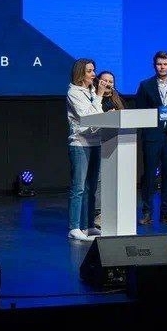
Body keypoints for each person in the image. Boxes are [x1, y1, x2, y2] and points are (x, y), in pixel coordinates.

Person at [135, 51, 167, 225]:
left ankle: (166, 212)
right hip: (152, 136)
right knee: (149, 175)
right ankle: (147, 212)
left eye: (165, 64)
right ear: (154, 65)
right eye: (159, 64)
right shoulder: (145, 85)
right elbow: (140, 110)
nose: (162, 67)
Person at [66, 58, 107, 241]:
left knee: (92, 187)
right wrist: (99, 95)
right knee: (79, 187)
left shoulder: (91, 91)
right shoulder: (73, 92)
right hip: (80, 143)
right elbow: (87, 116)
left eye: (93, 70)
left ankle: (88, 225)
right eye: (90, 71)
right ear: (81, 73)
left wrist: (98, 97)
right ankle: (74, 227)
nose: (94, 74)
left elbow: (98, 115)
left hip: (95, 141)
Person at [92, 70, 125, 229]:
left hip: (116, 144)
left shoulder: (117, 98)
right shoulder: (94, 98)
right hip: (98, 142)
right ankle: (98, 213)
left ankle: (114, 210)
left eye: (110, 81)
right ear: (98, 81)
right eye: (104, 81)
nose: (107, 84)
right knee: (99, 179)